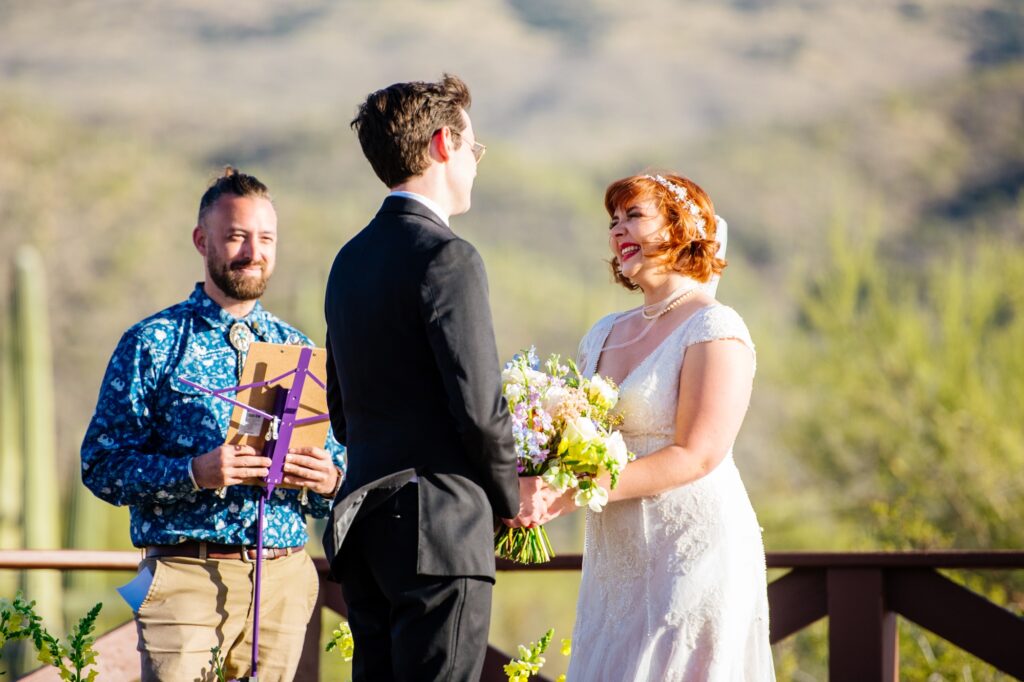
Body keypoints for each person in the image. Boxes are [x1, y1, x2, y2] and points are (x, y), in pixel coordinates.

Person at [81, 167, 346, 682]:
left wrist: (329, 480)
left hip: (284, 581)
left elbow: (335, 466)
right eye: (236, 236)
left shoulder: (298, 347)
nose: (253, 251)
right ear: (202, 240)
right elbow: (101, 465)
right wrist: (193, 472)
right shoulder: (152, 343)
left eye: (265, 238)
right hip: (185, 576)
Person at [521, 173, 775, 680]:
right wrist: (536, 471)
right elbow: (575, 436)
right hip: (616, 556)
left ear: (682, 228)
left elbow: (697, 454)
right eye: (613, 221)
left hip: (693, 546)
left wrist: (572, 494)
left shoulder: (715, 327)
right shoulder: (602, 333)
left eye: (634, 216)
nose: (618, 231)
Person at [322, 74, 521, 682]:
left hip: (362, 527)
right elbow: (480, 407)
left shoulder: (348, 259)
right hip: (439, 527)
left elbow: (340, 410)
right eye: (471, 148)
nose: (475, 164)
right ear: (442, 144)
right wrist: (511, 501)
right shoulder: (448, 256)